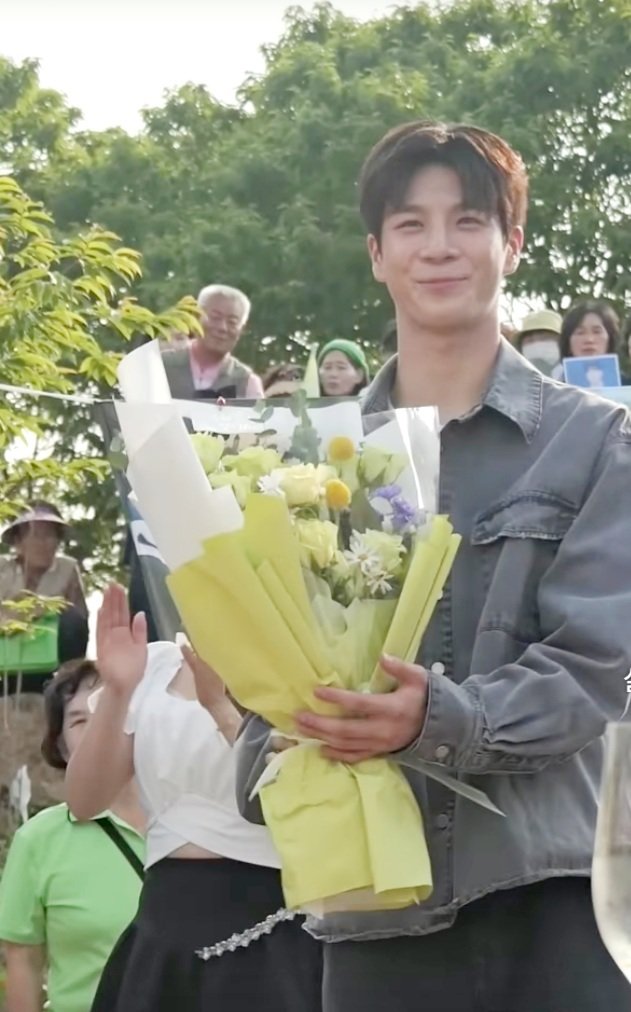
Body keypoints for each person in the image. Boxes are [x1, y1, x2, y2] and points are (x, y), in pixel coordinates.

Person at [236, 120, 631, 1011]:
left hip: (552, 903)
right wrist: (284, 735)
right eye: (410, 224)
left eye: (468, 221)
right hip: (374, 910)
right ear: (376, 253)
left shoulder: (596, 440)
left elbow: (596, 670)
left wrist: (439, 719)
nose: (439, 247)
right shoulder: (303, 467)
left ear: (511, 244)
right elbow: (264, 687)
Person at [64, 585, 321, 1012]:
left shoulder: (305, 665)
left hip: (272, 924)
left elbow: (305, 799)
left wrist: (220, 706)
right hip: (165, 923)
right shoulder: (156, 665)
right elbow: (84, 801)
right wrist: (118, 690)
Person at [0, 659, 145, 1012]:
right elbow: (24, 963)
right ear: (61, 747)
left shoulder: (196, 825)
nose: (100, 729)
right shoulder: (39, 840)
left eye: (111, 710)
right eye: (80, 721)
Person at [0, 502, 89, 692]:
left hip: (50, 662)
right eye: (37, 535)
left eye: (51, 535)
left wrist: (44, 610)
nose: (45, 543)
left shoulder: (67, 568)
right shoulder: (2, 569)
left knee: (72, 618)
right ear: (18, 542)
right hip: (5, 662)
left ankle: (67, 686)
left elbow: (79, 619)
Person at [162, 284, 264, 400]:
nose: (222, 328)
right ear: (196, 317)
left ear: (242, 329)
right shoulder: (159, 365)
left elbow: (261, 412)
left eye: (232, 322)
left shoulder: (248, 384)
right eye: (215, 317)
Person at [513, 308, 562, 375]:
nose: (536, 344)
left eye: (544, 337)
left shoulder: (574, 372)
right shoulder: (511, 376)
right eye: (530, 340)